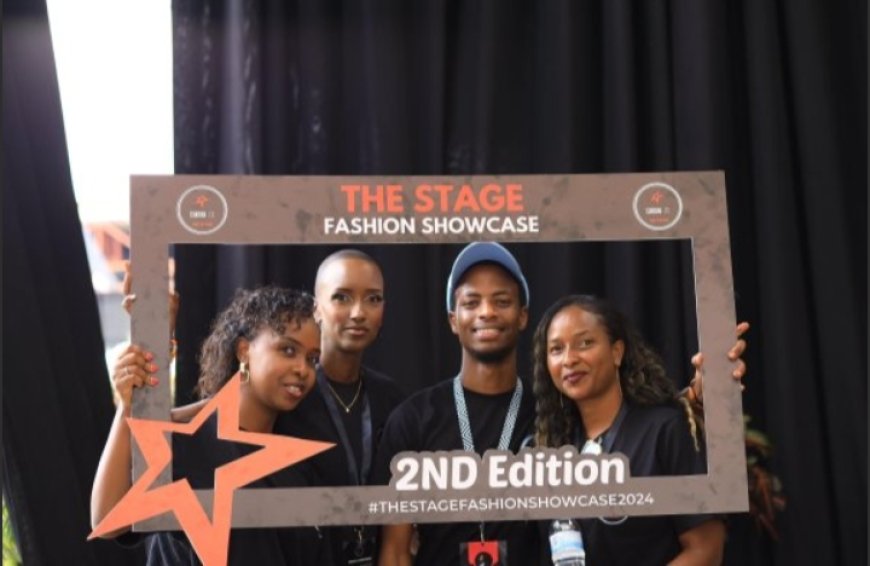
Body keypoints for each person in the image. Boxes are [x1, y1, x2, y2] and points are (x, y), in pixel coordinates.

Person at [374, 242, 747, 566]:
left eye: (501, 301)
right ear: (453, 320)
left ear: (522, 315)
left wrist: (700, 396)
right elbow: (395, 550)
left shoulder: (551, 416)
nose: (487, 312)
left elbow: (638, 434)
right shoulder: (415, 419)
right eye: (472, 302)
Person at [90, 286, 328, 565]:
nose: (303, 369)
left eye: (312, 359)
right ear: (243, 351)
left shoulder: (300, 461)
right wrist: (130, 405)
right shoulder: (190, 444)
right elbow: (107, 518)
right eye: (287, 350)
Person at [533, 294, 725, 565]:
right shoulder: (552, 445)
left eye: (585, 343)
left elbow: (706, 549)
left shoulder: (665, 430)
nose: (569, 359)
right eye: (556, 349)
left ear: (617, 352)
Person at [276, 249, 405, 565]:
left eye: (373, 299)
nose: (359, 312)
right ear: (316, 309)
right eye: (342, 297)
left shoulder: (392, 399)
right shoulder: (288, 395)